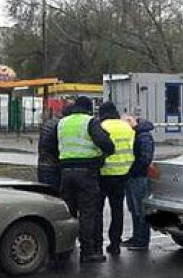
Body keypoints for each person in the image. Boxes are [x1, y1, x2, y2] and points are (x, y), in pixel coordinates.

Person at [51, 96, 114, 263]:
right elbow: (104, 142)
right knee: (87, 212)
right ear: (88, 108)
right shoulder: (89, 121)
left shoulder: (62, 123)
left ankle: (65, 249)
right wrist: (106, 152)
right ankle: (87, 251)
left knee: (69, 212)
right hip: (86, 172)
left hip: (65, 172)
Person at [97, 102, 135, 255]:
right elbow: (132, 148)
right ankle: (115, 243)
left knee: (97, 211)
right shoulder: (127, 127)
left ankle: (97, 243)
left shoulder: (100, 126)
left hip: (103, 174)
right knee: (117, 210)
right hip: (122, 173)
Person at [122, 114, 155, 251]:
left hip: (139, 177)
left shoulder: (143, 136)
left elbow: (145, 158)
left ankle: (141, 239)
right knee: (134, 208)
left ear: (131, 121)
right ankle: (137, 237)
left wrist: (133, 169)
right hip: (133, 176)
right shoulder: (138, 134)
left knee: (140, 209)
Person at [36, 104, 72, 194]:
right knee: (56, 196)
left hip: (43, 165)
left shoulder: (49, 123)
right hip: (54, 167)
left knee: (47, 195)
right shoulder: (61, 126)